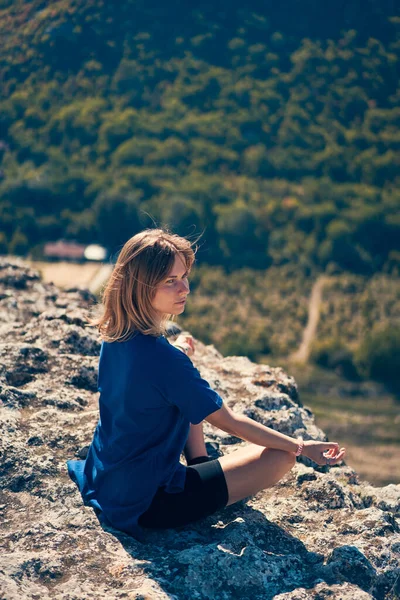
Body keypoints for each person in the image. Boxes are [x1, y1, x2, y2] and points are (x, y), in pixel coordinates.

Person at [67, 228, 346, 539]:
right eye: (170, 281)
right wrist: (302, 447)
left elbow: (153, 373)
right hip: (148, 503)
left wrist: (180, 355)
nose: (185, 287)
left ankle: (200, 461)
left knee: (184, 394)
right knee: (280, 457)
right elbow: (230, 422)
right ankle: (201, 469)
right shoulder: (167, 362)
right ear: (139, 287)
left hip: (105, 478)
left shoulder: (115, 333)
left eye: (184, 276)